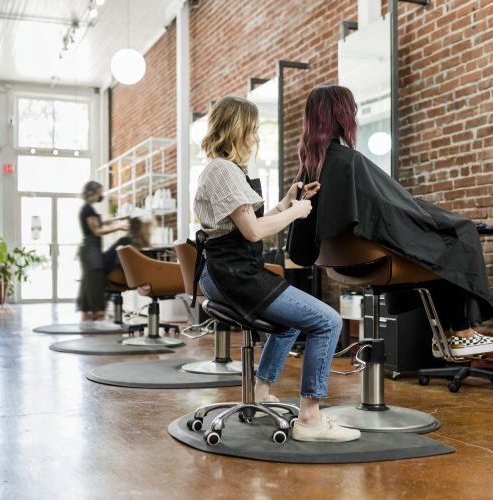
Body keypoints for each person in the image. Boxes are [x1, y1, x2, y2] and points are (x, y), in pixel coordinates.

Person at [194, 96, 361, 442]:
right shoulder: (223, 170)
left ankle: (261, 390)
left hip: (227, 271)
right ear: (238, 129)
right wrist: (297, 213)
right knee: (327, 320)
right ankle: (310, 419)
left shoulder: (225, 170)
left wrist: (286, 202)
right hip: (234, 274)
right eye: (253, 130)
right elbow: (253, 232)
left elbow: (246, 224)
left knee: (287, 324)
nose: (255, 137)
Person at [288, 84, 493, 358]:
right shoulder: (349, 162)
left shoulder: (308, 169)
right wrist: (438, 220)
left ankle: (447, 333)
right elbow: (393, 210)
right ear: (343, 115)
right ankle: (461, 332)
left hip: (344, 263)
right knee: (454, 238)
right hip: (374, 260)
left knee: (434, 247)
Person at [78, 181, 128, 329]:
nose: (102, 195)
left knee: (89, 283)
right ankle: (99, 319)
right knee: (95, 282)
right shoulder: (88, 210)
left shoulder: (88, 209)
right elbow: (97, 231)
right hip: (91, 250)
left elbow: (99, 222)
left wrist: (116, 220)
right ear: (93, 193)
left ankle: (89, 318)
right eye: (100, 192)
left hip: (91, 249)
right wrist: (118, 227)